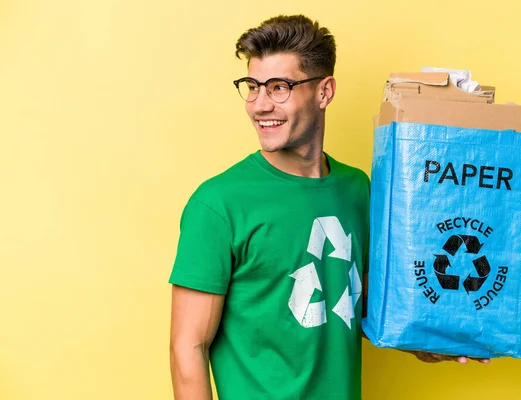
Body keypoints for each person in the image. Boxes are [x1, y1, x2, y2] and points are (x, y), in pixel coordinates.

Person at [169, 14, 486, 400]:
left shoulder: (358, 189)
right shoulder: (218, 204)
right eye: (252, 86)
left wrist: (425, 342)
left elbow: (360, 301)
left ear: (324, 92)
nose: (260, 105)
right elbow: (188, 348)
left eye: (279, 87)